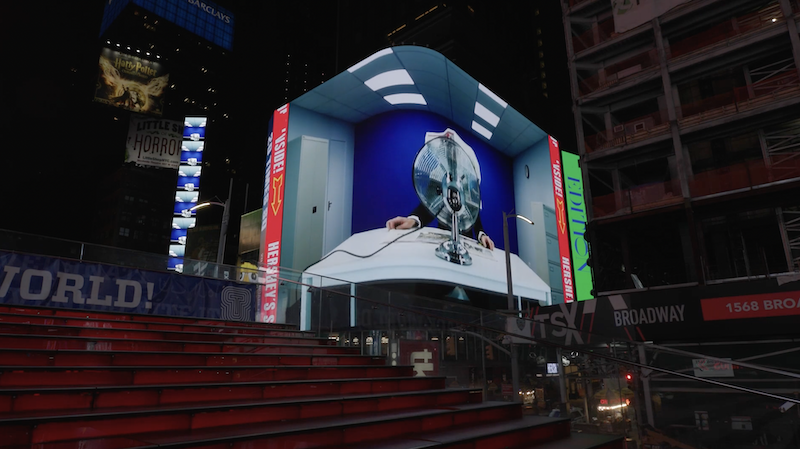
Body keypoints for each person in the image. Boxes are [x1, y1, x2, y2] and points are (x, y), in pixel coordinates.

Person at [386, 128, 495, 250]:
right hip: (444, 239)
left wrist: (482, 234)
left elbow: (474, 214)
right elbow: (428, 207)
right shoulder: (438, 176)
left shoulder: (469, 183)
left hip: (466, 242)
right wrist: (413, 220)